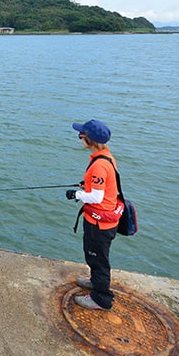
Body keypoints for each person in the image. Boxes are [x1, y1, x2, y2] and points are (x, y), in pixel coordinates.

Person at [66, 119, 120, 310]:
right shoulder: (106, 157)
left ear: (89, 140)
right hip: (103, 221)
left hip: (99, 223)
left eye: (81, 135)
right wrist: (86, 184)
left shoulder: (98, 165)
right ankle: (95, 282)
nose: (79, 137)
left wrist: (77, 194)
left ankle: (101, 299)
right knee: (95, 258)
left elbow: (96, 197)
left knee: (98, 260)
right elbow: (102, 187)